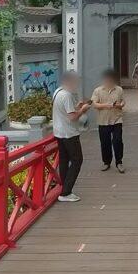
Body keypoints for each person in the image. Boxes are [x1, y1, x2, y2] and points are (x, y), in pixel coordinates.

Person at [52, 71, 91, 202]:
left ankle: (64, 187)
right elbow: (72, 117)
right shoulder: (67, 95)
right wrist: (83, 110)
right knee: (77, 160)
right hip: (69, 133)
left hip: (59, 132)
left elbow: (66, 110)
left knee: (64, 160)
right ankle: (66, 192)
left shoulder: (57, 92)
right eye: (75, 82)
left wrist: (77, 107)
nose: (76, 84)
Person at [91, 68, 125, 172]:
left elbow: (123, 101)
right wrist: (107, 105)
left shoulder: (119, 89)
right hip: (103, 121)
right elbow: (94, 104)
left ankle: (119, 162)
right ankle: (106, 162)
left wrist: (121, 105)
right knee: (105, 142)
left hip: (117, 119)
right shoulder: (98, 90)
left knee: (118, 141)